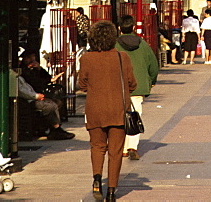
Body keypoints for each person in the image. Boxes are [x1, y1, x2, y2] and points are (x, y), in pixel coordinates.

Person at [79, 20, 138, 202]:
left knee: (97, 146)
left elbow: (82, 85)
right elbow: (132, 84)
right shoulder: (122, 57)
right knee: (115, 151)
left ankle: (97, 178)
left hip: (95, 109)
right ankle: (112, 190)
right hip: (118, 109)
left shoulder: (86, 58)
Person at [115, 16, 159, 162]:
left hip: (118, 87)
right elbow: (153, 64)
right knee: (134, 115)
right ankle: (132, 147)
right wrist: (151, 81)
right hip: (138, 87)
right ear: (133, 27)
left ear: (119, 27)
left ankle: (121, 148)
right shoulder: (143, 45)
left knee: (119, 117)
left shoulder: (114, 45)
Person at [17, 58, 73, 140]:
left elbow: (45, 79)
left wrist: (39, 69)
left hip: (34, 96)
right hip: (29, 100)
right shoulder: (24, 73)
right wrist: (36, 96)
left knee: (56, 103)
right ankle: (55, 129)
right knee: (50, 106)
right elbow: (25, 89)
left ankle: (54, 128)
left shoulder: (27, 72)